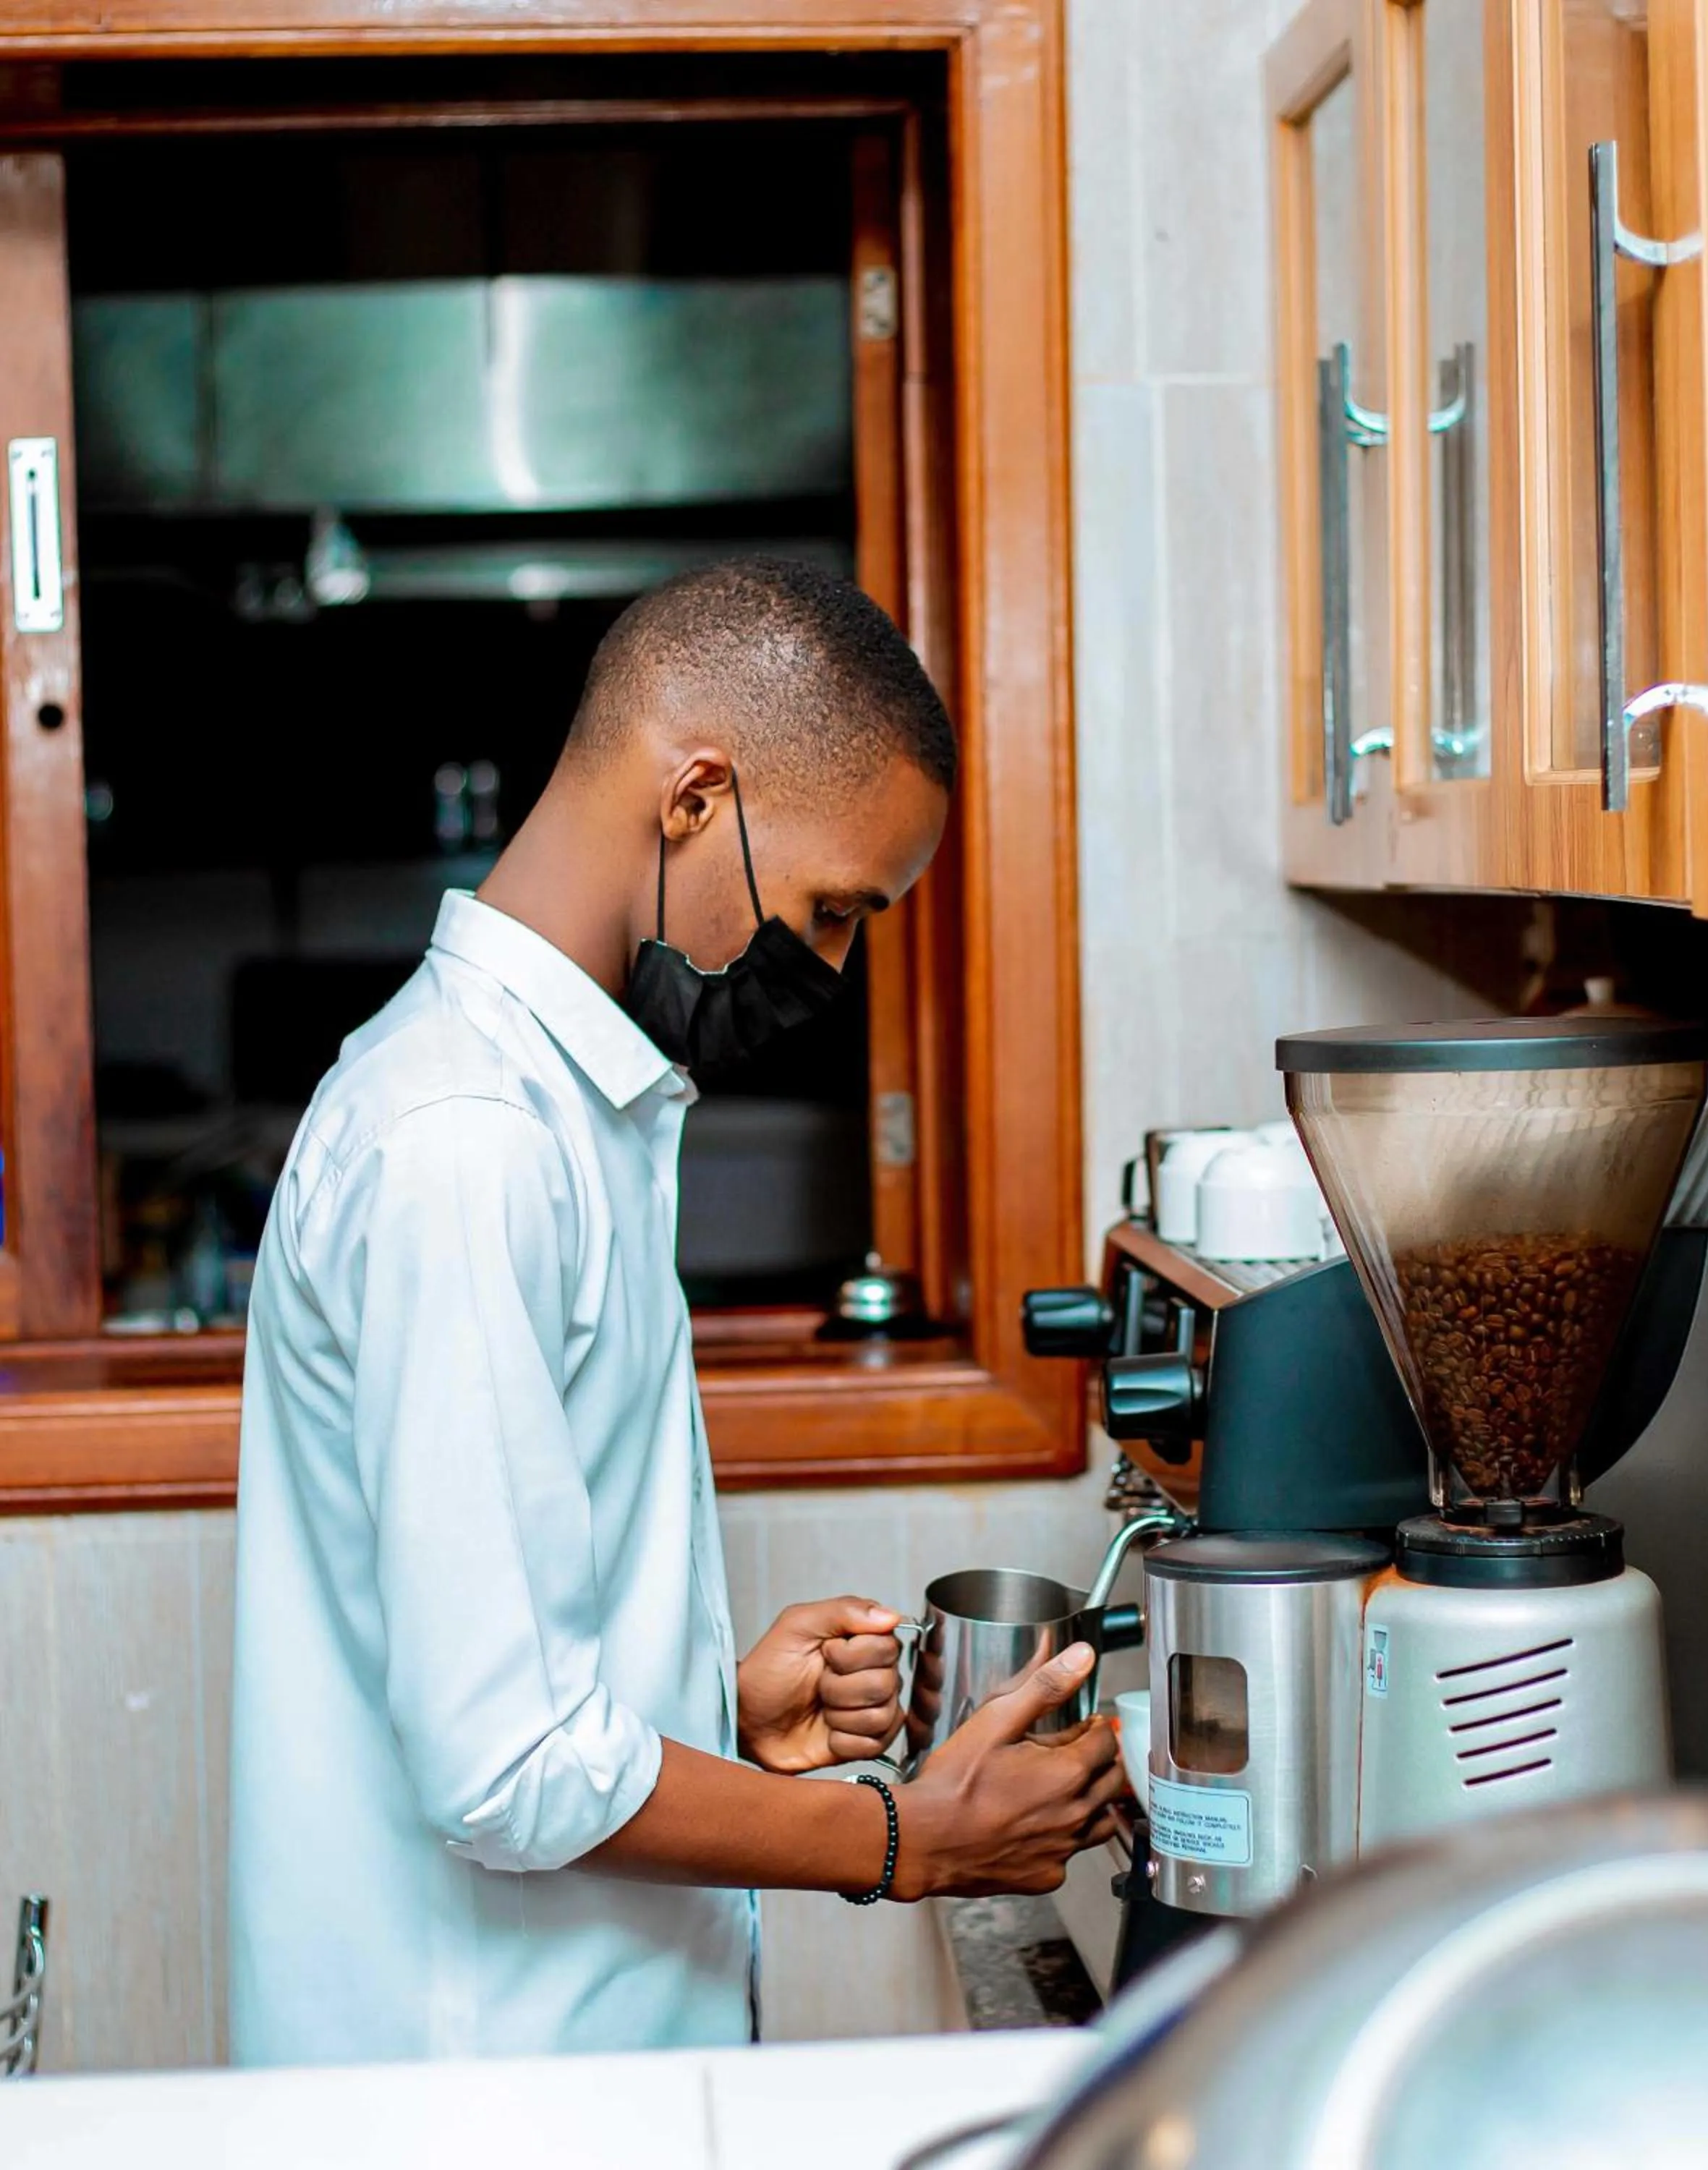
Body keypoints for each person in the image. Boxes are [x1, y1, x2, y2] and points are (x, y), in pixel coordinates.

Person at [229, 560, 1122, 2067]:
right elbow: (510, 1767)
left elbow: (498, 1650)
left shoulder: (563, 1108)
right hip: (482, 2098)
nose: (830, 967)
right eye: (833, 909)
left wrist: (708, 1705)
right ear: (697, 798)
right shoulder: (467, 1141)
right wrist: (904, 1836)